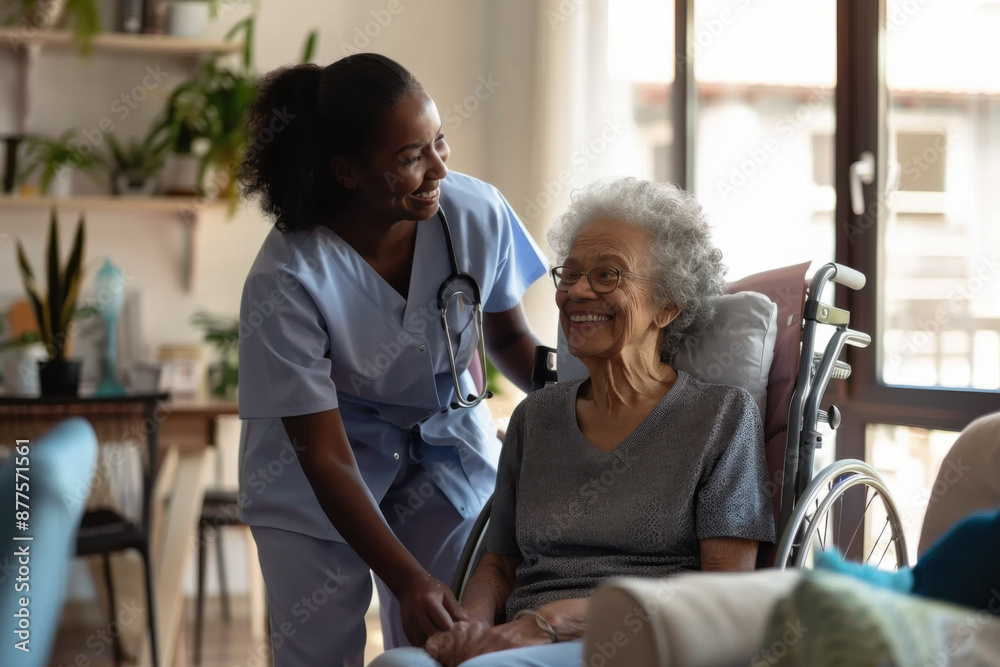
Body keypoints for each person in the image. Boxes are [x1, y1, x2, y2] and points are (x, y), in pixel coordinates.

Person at [370, 177, 776, 667]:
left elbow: (723, 593)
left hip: (640, 644)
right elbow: (498, 565)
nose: (578, 292)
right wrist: (473, 627)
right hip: (521, 639)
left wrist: (552, 622)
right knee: (396, 664)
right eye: (571, 274)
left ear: (668, 306)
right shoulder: (536, 417)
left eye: (608, 276)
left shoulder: (719, 417)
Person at [236, 53, 548, 667]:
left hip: (444, 450)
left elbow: (510, 343)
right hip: (318, 472)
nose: (438, 168)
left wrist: (592, 391)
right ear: (347, 172)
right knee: (318, 652)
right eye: (410, 157)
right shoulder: (288, 278)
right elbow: (323, 455)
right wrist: (405, 579)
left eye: (438, 142)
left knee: (454, 641)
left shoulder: (474, 212)